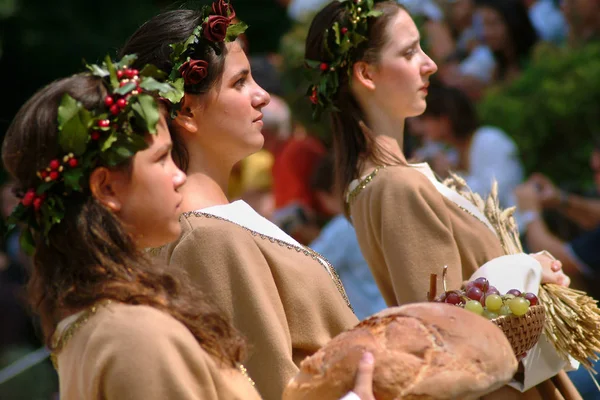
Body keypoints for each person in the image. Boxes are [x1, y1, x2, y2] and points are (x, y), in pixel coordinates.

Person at [1, 58, 376, 400]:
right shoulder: (137, 336)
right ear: (107, 188)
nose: (179, 176)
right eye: (162, 158)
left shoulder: (106, 321)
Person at [305, 0, 579, 398]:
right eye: (409, 51)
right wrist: (528, 269)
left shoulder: (378, 181)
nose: (430, 63)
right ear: (366, 73)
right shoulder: (394, 186)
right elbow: (447, 329)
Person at [119, 3, 358, 399]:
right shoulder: (206, 238)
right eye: (240, 83)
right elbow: (271, 386)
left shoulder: (213, 226)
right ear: (188, 110)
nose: (262, 96)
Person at [418, 84, 524, 208]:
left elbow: (495, 196)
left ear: (444, 120)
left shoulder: (489, 139)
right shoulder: (452, 153)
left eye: (425, 120)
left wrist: (453, 175)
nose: (421, 127)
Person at [309, 155, 387, 320]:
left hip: (366, 321)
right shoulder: (384, 214)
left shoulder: (344, 226)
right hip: (396, 313)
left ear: (334, 191)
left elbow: (308, 266)